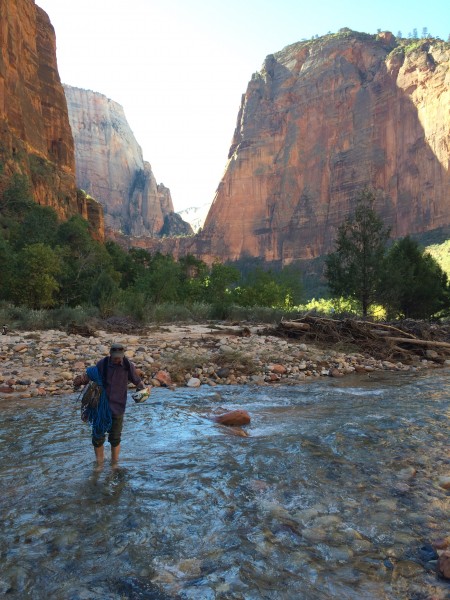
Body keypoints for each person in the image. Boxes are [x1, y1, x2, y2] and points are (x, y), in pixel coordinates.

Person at [73, 342, 148, 465]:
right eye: (115, 357)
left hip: (118, 407)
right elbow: (91, 375)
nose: (117, 359)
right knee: (97, 437)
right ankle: (99, 464)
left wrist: (144, 390)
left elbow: (137, 381)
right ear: (110, 354)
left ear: (123, 355)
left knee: (115, 438)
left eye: (119, 357)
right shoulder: (103, 364)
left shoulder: (128, 365)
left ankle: (114, 463)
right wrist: (81, 380)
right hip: (100, 406)